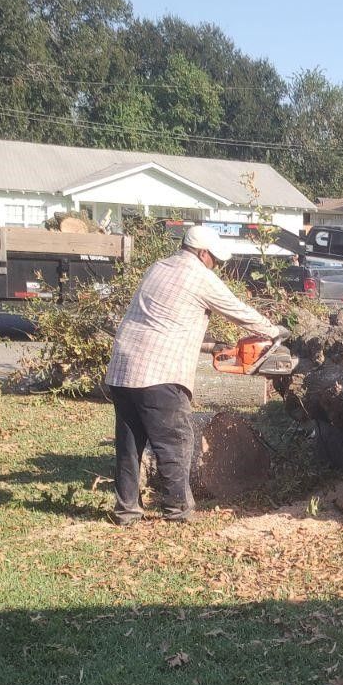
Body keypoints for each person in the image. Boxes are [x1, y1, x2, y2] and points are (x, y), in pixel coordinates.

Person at [104, 224, 282, 525]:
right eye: (215, 259)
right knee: (175, 442)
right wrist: (273, 330)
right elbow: (236, 310)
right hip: (159, 372)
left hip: (122, 368)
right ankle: (177, 511)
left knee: (129, 445)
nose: (217, 265)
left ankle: (126, 510)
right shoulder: (199, 275)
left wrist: (211, 345)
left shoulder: (159, 268)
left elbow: (162, 321)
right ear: (202, 253)